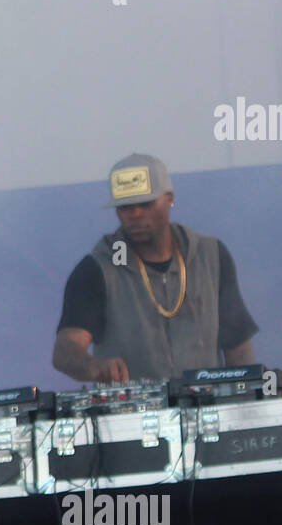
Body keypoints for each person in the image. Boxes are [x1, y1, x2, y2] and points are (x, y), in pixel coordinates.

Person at [52, 154, 257, 383]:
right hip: (131, 414)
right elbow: (65, 351)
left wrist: (248, 397)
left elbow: (238, 347)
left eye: (146, 204)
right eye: (125, 207)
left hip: (208, 406)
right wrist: (93, 366)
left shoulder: (211, 255)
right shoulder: (97, 268)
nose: (136, 214)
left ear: (169, 199)